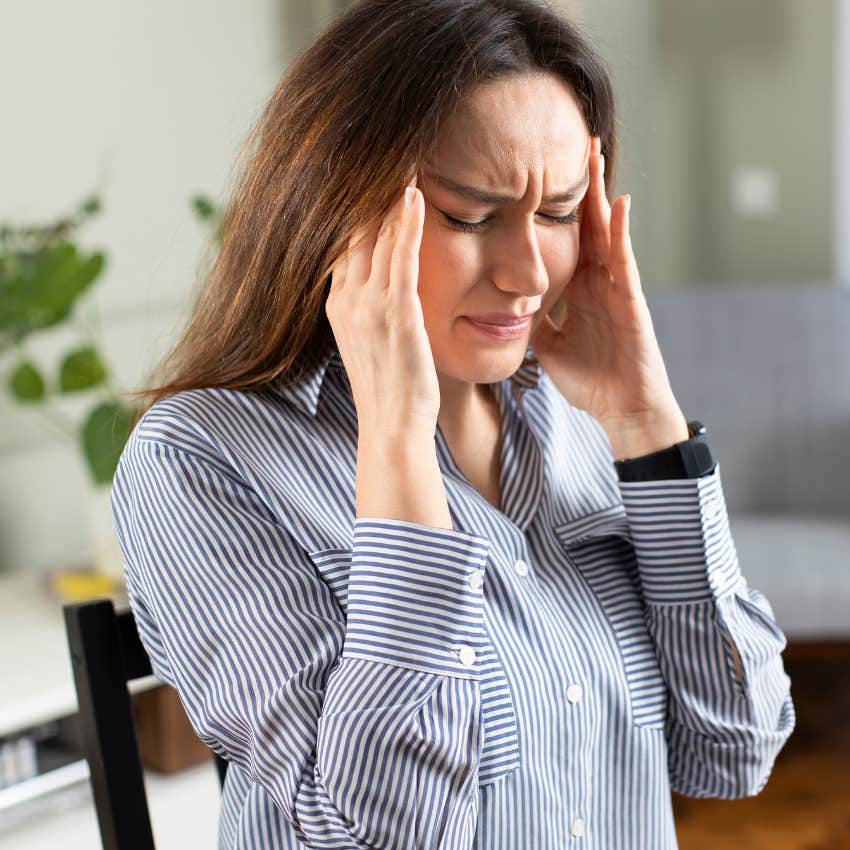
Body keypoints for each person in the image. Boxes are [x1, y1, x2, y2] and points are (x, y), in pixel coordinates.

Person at [110, 1, 795, 848]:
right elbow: (381, 831)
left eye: (558, 213)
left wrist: (646, 423)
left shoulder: (576, 420)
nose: (528, 275)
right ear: (337, 213)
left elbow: (735, 750)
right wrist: (396, 440)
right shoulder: (200, 461)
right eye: (471, 216)